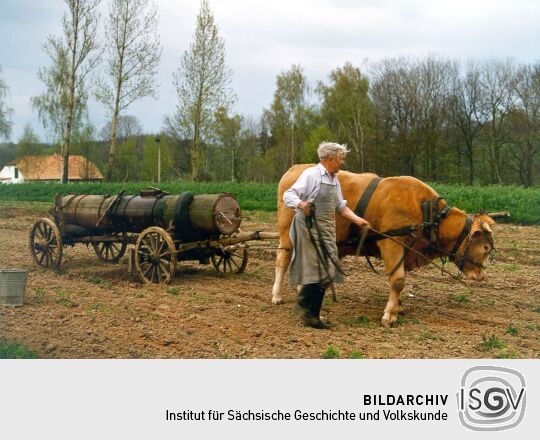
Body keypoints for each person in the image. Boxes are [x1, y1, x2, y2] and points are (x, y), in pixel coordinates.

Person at [283, 142, 370, 329]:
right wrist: (301, 205)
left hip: (326, 227)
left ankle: (306, 307)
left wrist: (358, 220)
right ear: (330, 159)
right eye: (340, 159)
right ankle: (309, 313)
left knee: (329, 268)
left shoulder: (333, 179)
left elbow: (340, 207)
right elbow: (288, 195)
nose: (342, 163)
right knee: (320, 268)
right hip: (308, 226)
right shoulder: (311, 175)